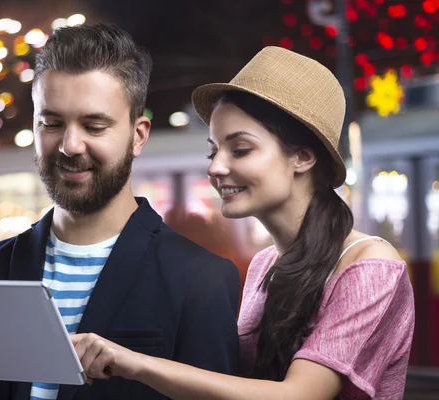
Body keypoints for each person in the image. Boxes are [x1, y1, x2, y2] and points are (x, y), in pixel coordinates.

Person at [0, 23, 241, 400]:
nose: (70, 145)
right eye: (51, 123)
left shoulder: (202, 280)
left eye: (94, 125)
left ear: (138, 135)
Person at [70, 46, 415, 399]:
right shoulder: (264, 266)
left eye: (240, 149)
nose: (215, 168)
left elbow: (299, 395)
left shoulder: (371, 268)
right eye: (213, 150)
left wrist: (135, 362)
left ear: (303, 156)